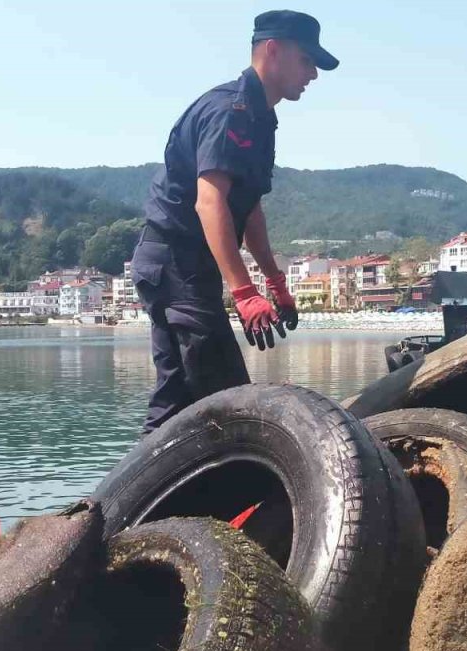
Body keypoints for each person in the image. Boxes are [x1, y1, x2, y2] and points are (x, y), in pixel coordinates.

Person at [130, 10, 338, 434]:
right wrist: (244, 293)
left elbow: (250, 211)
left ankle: (123, 500)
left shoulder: (262, 118)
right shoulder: (230, 111)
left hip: (185, 266)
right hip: (173, 261)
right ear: (272, 50)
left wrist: (275, 283)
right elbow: (210, 203)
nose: (313, 74)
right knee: (227, 399)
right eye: (307, 60)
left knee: (174, 403)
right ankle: (240, 498)